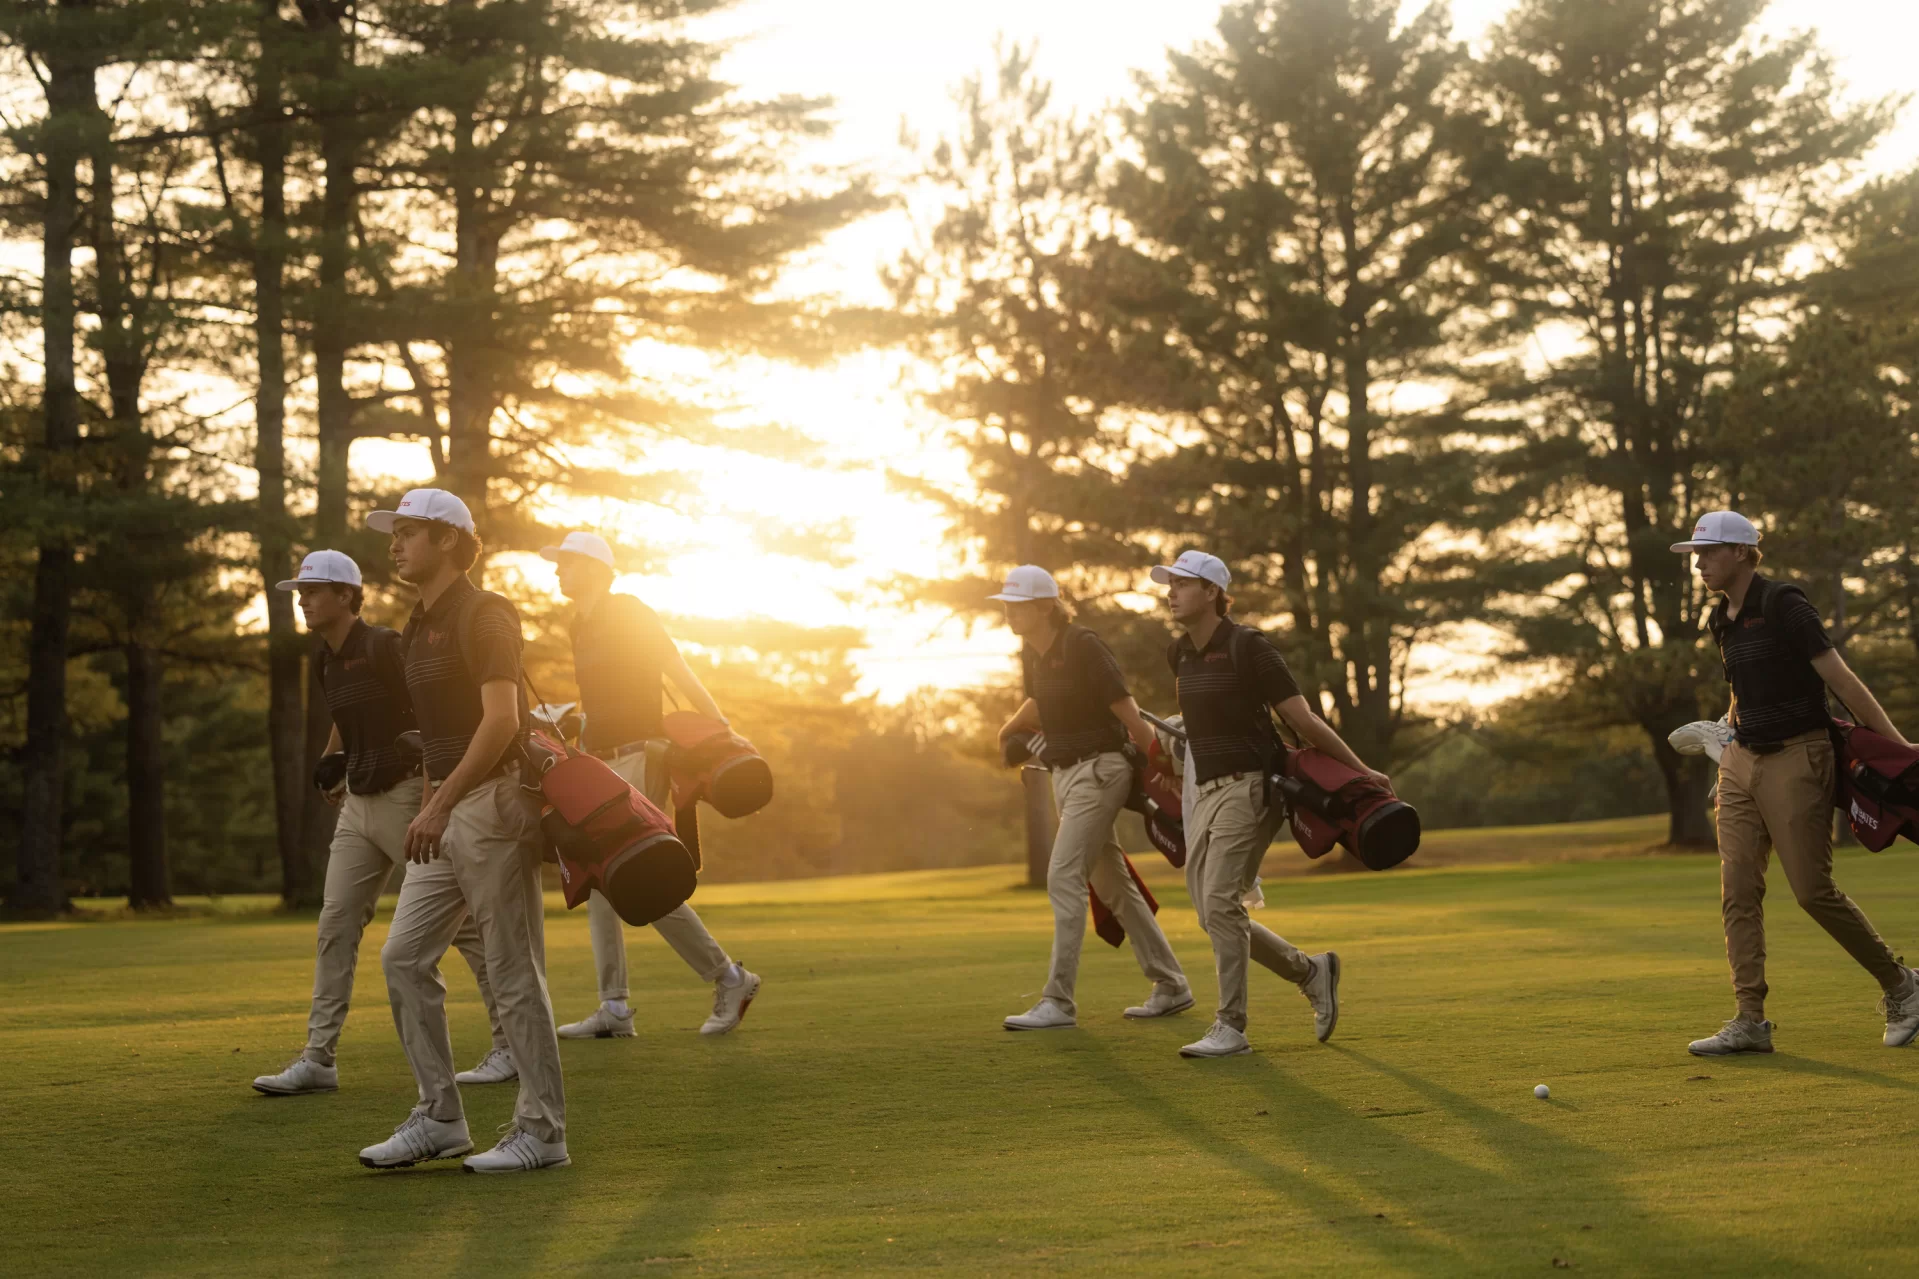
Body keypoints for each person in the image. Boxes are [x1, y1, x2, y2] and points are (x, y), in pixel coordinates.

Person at [357, 488, 570, 1174]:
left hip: (495, 804)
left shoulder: (487, 612)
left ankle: (542, 1131)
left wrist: (439, 804)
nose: (395, 544)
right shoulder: (417, 625)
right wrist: (429, 802)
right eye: (394, 534)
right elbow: (439, 738)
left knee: (512, 974)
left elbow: (502, 720)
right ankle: (442, 1117)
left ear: (448, 540)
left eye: (409, 532)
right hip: (445, 810)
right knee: (402, 957)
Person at [251, 550, 515, 1097]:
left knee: (461, 925)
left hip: (405, 799)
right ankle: (319, 1059)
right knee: (336, 925)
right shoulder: (325, 660)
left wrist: (430, 798)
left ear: (346, 595)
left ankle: (509, 1044)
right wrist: (332, 760)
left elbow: (429, 714)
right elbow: (346, 721)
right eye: (300, 592)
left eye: (314, 591)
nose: (303, 600)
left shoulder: (384, 647)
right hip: (359, 809)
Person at [1673, 511, 1919, 1056]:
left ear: (1740, 552)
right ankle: (1750, 1020)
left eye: (1707, 552)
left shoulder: (1785, 604)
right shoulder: (1722, 619)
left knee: (1811, 891)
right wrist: (1726, 750)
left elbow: (1842, 680)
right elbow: (1741, 692)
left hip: (1800, 757)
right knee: (1737, 889)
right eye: (1695, 554)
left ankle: (1903, 986)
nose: (1699, 562)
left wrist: (1899, 750)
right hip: (1741, 761)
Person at [538, 531, 761, 1040]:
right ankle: (613, 1007)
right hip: (602, 758)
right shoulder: (582, 624)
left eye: (566, 564)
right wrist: (569, 720)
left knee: (637, 873)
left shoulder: (628, 611)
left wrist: (722, 726)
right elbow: (602, 698)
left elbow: (675, 669)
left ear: (593, 568)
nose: (557, 572)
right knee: (598, 877)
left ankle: (730, 977)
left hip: (641, 754)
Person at [1157, 550, 1367, 1059]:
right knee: (1214, 913)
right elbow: (1206, 718)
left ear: (1212, 593)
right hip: (1205, 791)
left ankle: (1231, 1026)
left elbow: (1303, 720)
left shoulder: (1250, 647)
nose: (1171, 591)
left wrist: (1361, 771)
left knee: (1220, 904)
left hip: (1251, 786)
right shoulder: (1179, 653)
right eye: (1170, 584)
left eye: (1183, 584)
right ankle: (1310, 971)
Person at [991, 565, 1193, 1031]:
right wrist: (1010, 727)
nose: (1009, 612)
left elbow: (1127, 712)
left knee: (1063, 876)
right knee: (1112, 885)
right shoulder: (1033, 654)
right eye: (1005, 604)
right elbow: (1039, 702)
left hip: (1101, 771)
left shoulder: (1083, 644)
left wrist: (1160, 766)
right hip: (1068, 777)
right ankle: (1171, 984)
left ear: (1044, 606)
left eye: (1017, 605)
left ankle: (1058, 1001)